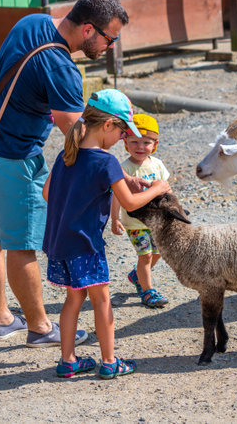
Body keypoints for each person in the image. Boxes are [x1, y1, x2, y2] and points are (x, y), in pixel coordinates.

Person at [0, 0, 148, 347]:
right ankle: (40, 328)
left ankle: (1, 317)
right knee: (22, 243)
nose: (110, 46)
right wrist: (118, 174)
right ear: (89, 30)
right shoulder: (62, 68)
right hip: (14, 155)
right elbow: (81, 137)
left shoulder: (31, 23)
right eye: (110, 38)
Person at [42, 89, 170, 378]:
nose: (123, 138)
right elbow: (130, 203)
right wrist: (157, 188)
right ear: (109, 126)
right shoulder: (107, 161)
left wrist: (114, 182)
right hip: (86, 244)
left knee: (73, 299)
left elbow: (47, 192)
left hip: (60, 241)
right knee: (101, 300)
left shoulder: (67, 153)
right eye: (123, 131)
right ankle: (110, 362)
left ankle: (68, 361)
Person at [111, 114, 170, 308]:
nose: (140, 147)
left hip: (156, 221)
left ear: (155, 144)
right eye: (134, 142)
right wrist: (114, 219)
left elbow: (166, 187)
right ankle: (148, 291)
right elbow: (116, 195)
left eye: (146, 142)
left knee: (159, 252)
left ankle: (137, 276)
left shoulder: (158, 165)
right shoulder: (124, 169)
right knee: (144, 256)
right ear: (125, 143)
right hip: (135, 223)